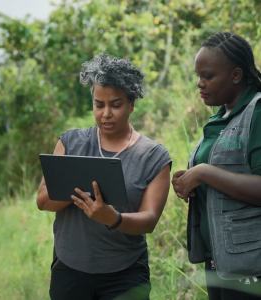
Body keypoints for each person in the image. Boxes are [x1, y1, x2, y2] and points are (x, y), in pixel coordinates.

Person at [36, 53, 172, 300]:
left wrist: (113, 218)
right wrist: (77, 183)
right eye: (99, 105)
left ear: (131, 104)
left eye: (116, 105)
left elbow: (150, 220)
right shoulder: (71, 142)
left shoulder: (153, 156)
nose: (106, 113)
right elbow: (43, 201)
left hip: (126, 273)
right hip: (70, 269)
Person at [172, 32, 261, 299]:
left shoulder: (256, 112)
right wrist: (189, 180)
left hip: (250, 264)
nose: (199, 84)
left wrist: (203, 172)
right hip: (219, 258)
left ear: (236, 75)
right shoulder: (221, 116)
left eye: (208, 76)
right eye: (198, 76)